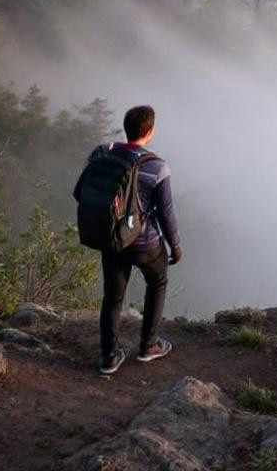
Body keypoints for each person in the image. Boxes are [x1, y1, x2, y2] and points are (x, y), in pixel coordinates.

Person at [88, 104, 182, 375]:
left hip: (113, 239)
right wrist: (175, 246)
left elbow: (80, 192)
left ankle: (108, 357)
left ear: (125, 128)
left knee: (113, 297)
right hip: (144, 243)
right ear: (149, 131)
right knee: (158, 282)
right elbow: (166, 212)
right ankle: (148, 345)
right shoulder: (157, 167)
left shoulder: (102, 154)